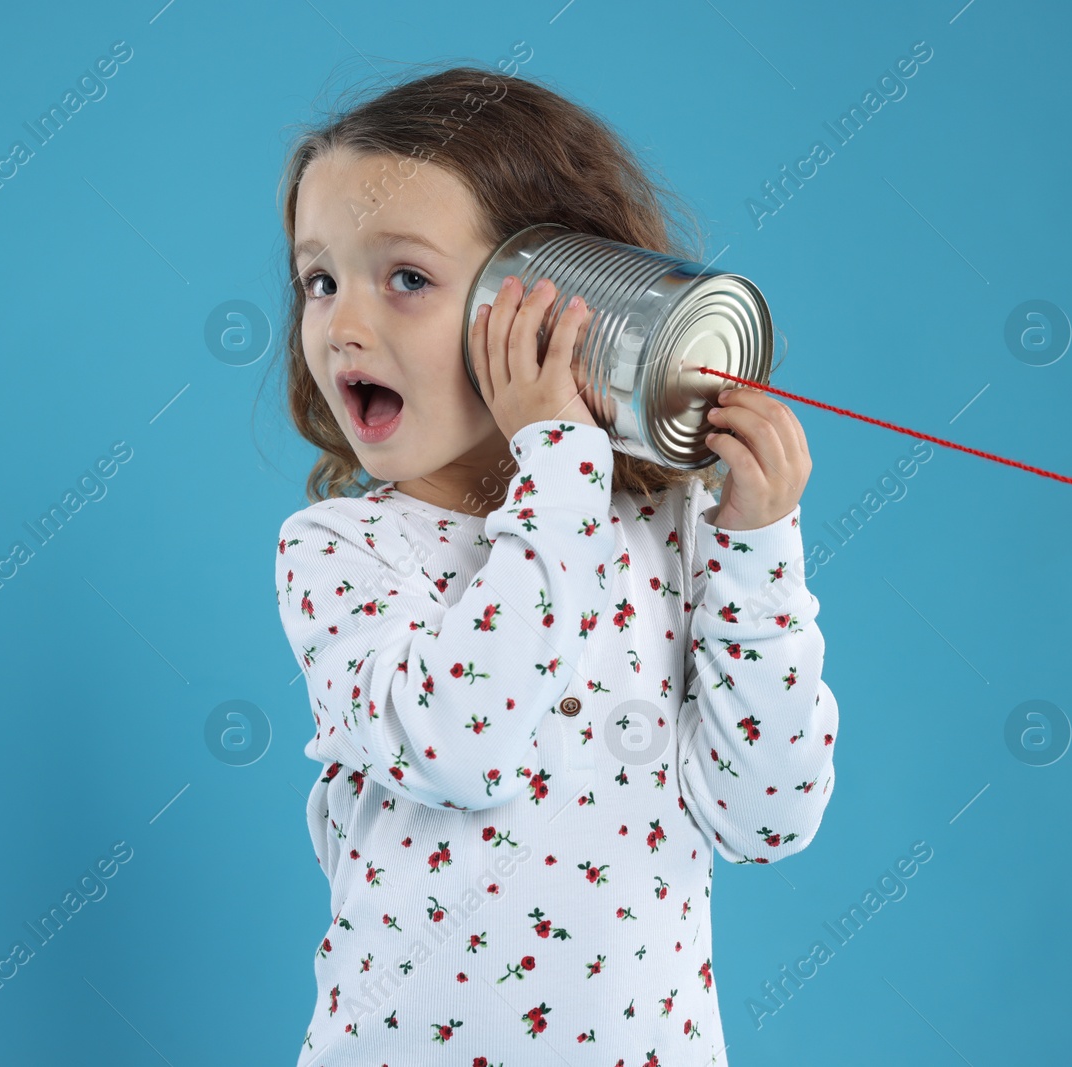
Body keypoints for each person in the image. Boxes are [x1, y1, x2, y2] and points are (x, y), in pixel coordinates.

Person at [270, 62, 837, 1066]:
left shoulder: (668, 529)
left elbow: (769, 816)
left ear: (558, 299)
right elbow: (463, 741)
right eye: (319, 279)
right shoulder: (340, 553)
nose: (342, 323)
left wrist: (756, 543)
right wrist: (561, 465)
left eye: (405, 277)